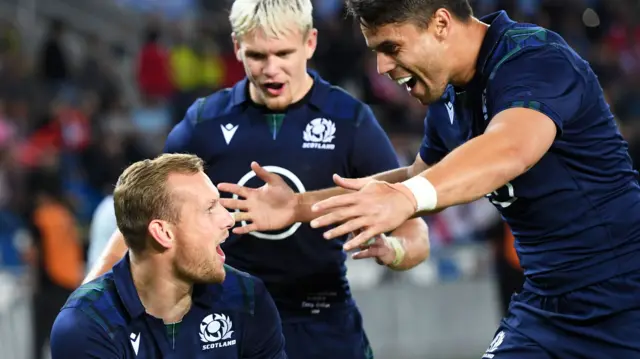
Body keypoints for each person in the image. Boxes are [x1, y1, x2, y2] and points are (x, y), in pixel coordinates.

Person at [217, 1, 640, 358]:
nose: (381, 66)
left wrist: (406, 196)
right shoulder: (449, 97)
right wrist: (298, 206)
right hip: (547, 307)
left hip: (625, 295)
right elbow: (423, 177)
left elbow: (511, 148)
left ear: (440, 24)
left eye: (391, 46)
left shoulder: (533, 58)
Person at [84, 1, 430, 358]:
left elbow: (414, 232)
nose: (271, 69)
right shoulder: (204, 124)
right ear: (237, 47)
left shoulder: (349, 120)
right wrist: (86, 303)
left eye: (283, 53)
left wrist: (395, 250)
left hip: (321, 325)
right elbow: (144, 219)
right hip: (228, 326)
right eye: (257, 56)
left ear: (310, 43)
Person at [50, 154, 287, 358]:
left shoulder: (247, 297)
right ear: (162, 233)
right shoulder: (87, 324)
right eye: (209, 209)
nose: (228, 219)